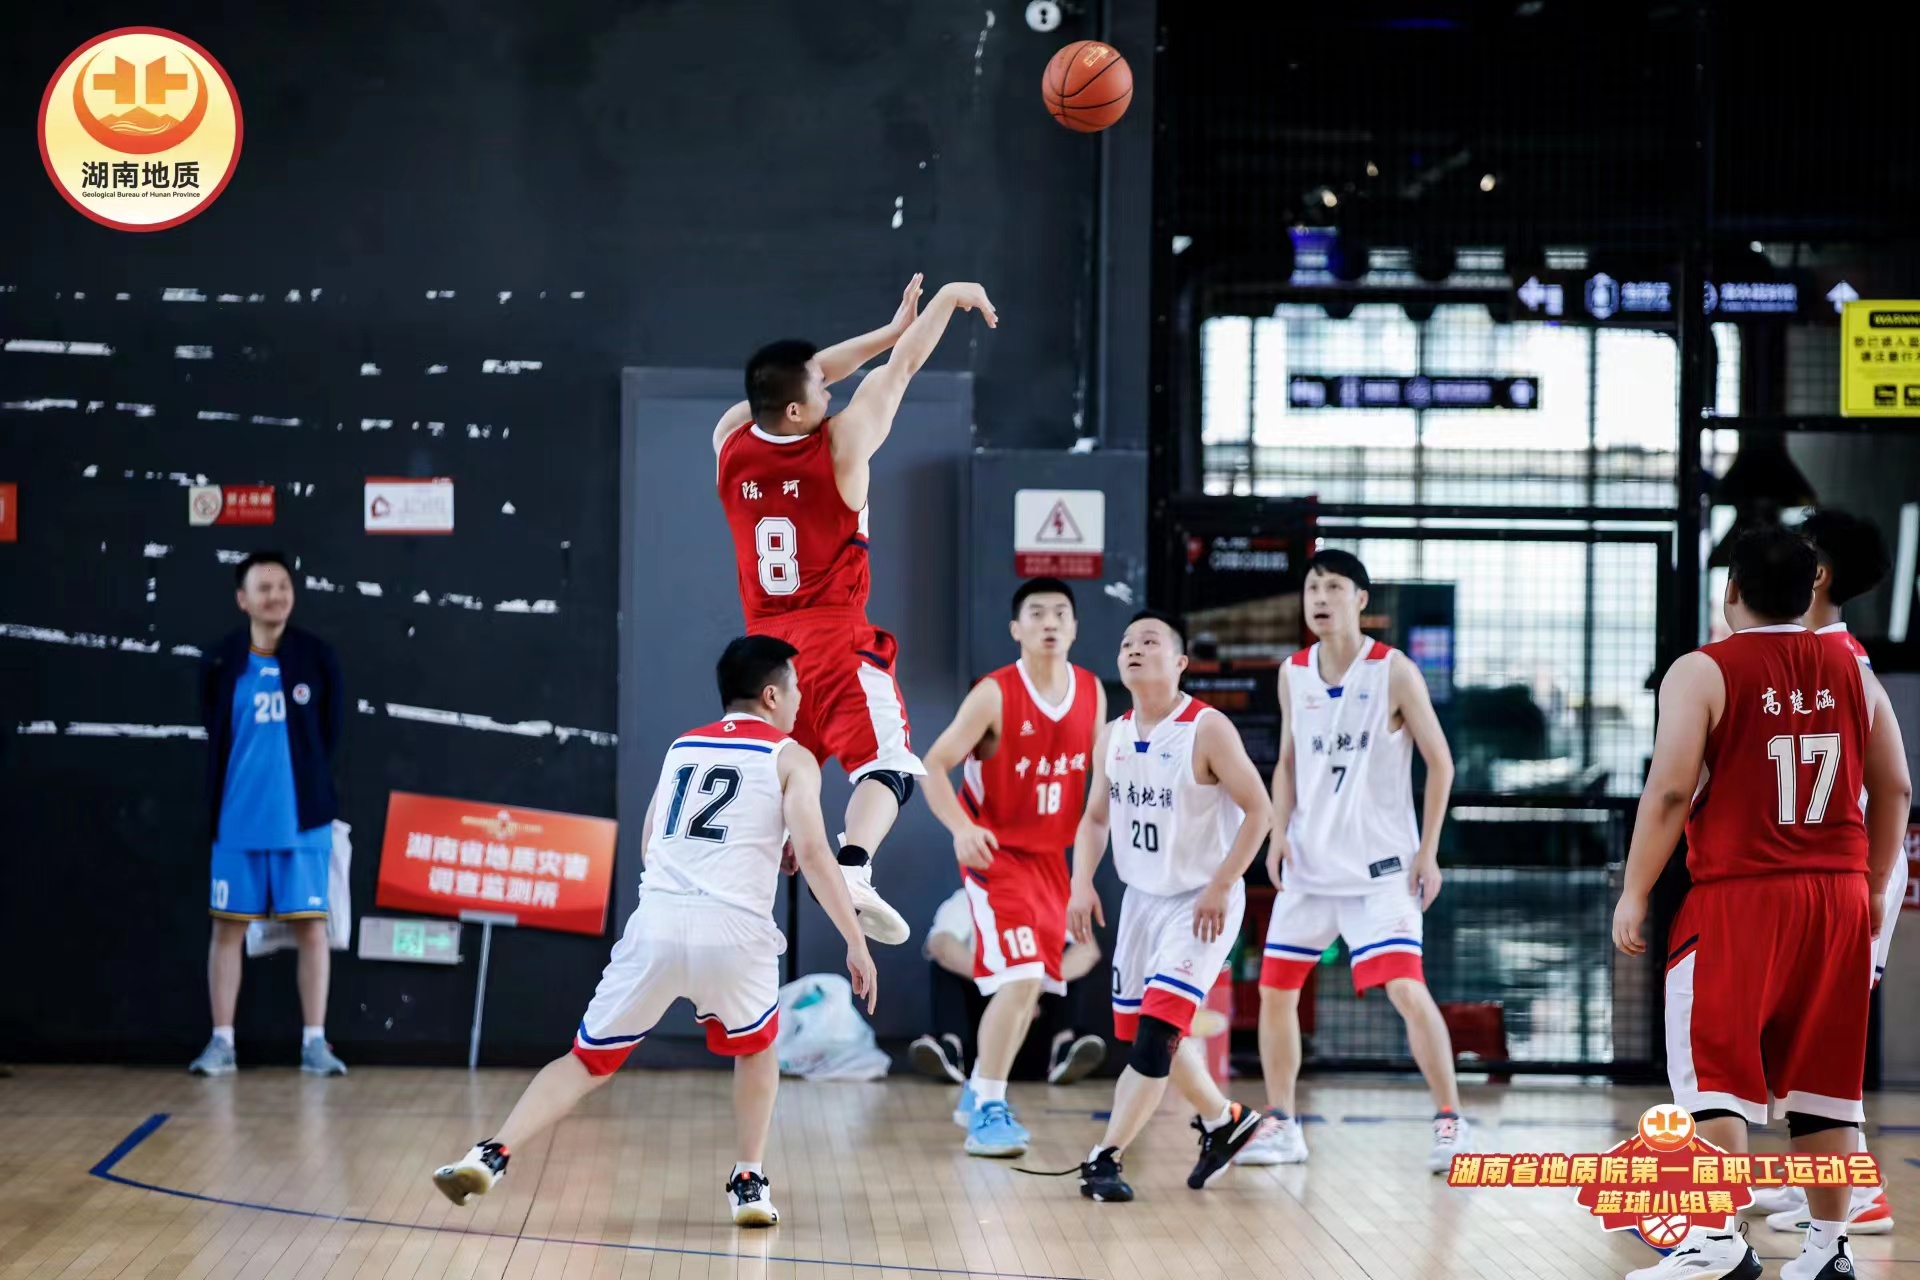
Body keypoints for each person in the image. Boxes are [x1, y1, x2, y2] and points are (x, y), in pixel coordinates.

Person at [431, 636, 878, 1227]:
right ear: (771, 696)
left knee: (585, 1061)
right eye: (796, 687)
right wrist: (854, 940)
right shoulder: (791, 757)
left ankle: (492, 1153)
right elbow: (817, 854)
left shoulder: (682, 747)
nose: (801, 699)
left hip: (658, 924)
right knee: (757, 1050)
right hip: (735, 933)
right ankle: (749, 1180)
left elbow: (652, 845)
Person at [1612, 525, 1911, 1280]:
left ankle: (1717, 1241)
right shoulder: (1854, 669)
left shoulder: (1703, 669)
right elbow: (1896, 788)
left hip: (1740, 899)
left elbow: (1670, 791)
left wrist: (1634, 890)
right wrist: (1876, 885)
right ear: (1811, 588)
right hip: (1837, 900)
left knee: (1714, 1077)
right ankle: (1828, 1251)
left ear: (1733, 589)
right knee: (1825, 1088)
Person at [713, 275, 998, 947]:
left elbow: (805, 376)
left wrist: (884, 331)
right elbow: (903, 369)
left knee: (789, 777)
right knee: (890, 765)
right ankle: (853, 867)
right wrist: (943, 303)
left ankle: (750, 880)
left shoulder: (730, 439)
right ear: (795, 411)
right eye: (821, 388)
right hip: (833, 637)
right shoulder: (843, 443)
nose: (833, 389)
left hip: (765, 653)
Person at [1239, 549, 1468, 1172]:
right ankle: (1283, 1124)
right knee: (1275, 990)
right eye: (1312, 587)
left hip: (1380, 873)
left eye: (1334, 587)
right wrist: (1277, 833)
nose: (1320, 598)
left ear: (1360, 600)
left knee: (1407, 990)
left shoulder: (1393, 670)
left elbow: (1440, 763)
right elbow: (1288, 762)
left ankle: (1451, 1120)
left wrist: (1428, 850)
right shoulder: (1293, 673)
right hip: (1310, 869)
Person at [1064, 610, 1274, 1201]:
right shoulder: (1112, 735)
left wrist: (1222, 884)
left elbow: (1260, 811)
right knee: (1149, 1033)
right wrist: (1081, 882)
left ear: (1180, 662)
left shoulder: (1207, 729)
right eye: (1127, 642)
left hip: (1201, 903)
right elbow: (1096, 818)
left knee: (1156, 1035)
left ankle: (1104, 1157)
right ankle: (1224, 1120)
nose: (1134, 648)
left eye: (1150, 641)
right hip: (1142, 903)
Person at [1748, 509, 1903, 1239]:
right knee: (1801, 1037)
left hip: (1850, 875)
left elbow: (1890, 789)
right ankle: (1816, 1178)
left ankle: (1859, 1188)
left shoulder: (1843, 665)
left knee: (1827, 1041)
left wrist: (1873, 884)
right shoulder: (1807, 656)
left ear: (1819, 574)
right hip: (1827, 876)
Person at [916, 578, 1107, 1156]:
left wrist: (1084, 876)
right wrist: (961, 828)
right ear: (1015, 629)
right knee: (1020, 977)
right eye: (1037, 612)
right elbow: (934, 763)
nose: (1050, 622)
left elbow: (1099, 792)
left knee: (1034, 985)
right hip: (997, 857)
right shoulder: (994, 693)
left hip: (1053, 860)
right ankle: (989, 1108)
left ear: (1075, 627)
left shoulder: (1092, 691)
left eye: (1060, 613)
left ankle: (978, 1092)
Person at [189, 551, 346, 1077]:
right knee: (226, 931)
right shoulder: (221, 661)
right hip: (237, 824)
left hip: (303, 824)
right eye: (263, 588)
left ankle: (315, 1043)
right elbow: (213, 727)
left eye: (283, 586)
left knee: (313, 931)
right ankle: (222, 1042)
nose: (275, 596)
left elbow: (331, 731)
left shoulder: (317, 657)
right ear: (243, 599)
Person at [909, 885, 1107, 1087]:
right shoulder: (968, 898)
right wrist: (1001, 986)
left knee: (1064, 959)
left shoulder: (1052, 899)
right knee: (945, 961)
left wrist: (1033, 987)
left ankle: (1063, 1050)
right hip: (980, 1023)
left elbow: (1088, 951)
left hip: (1038, 1019)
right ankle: (952, 1050)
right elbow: (940, 944)